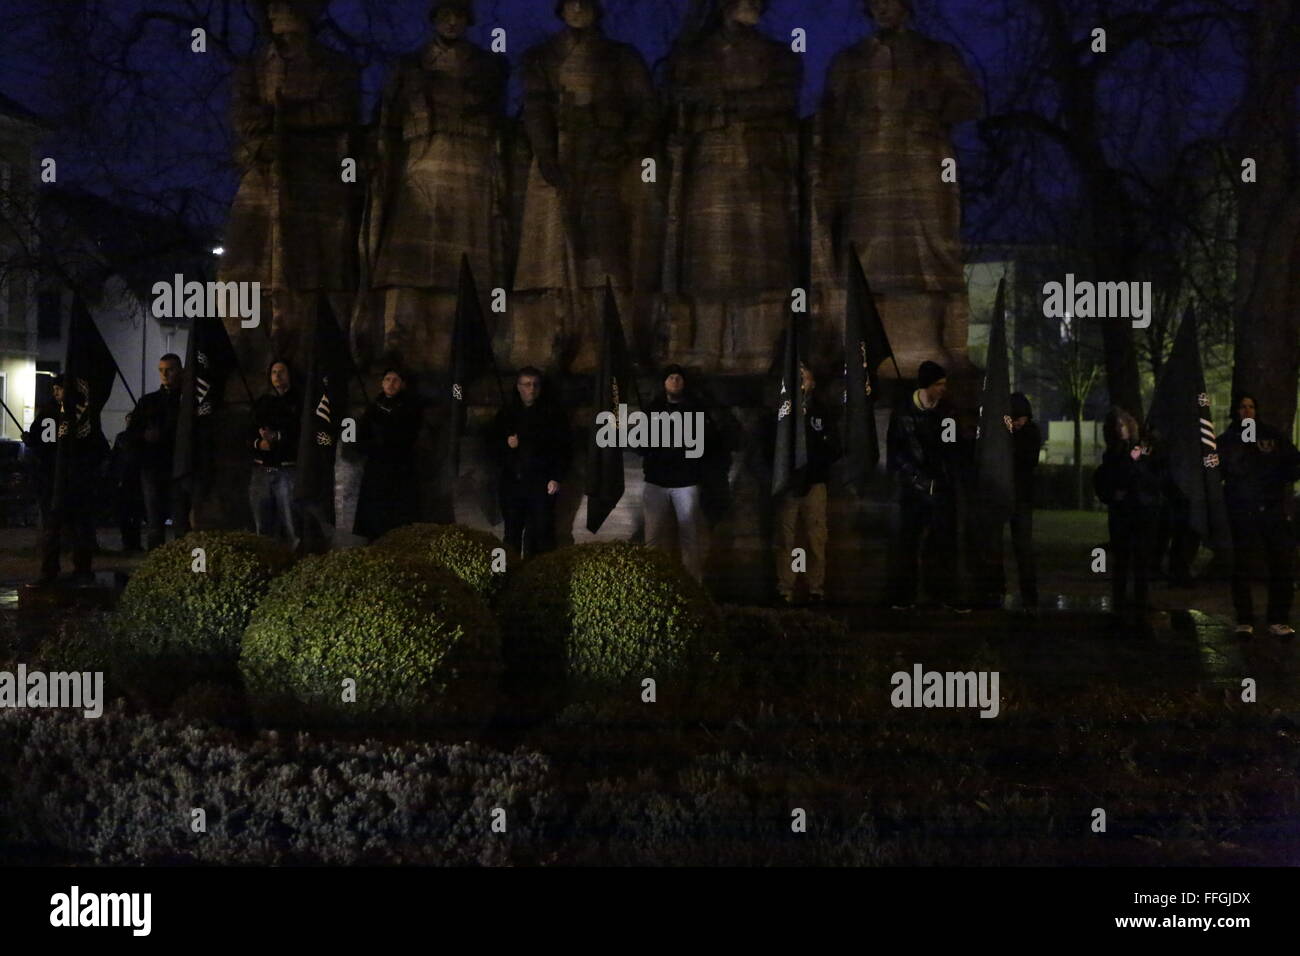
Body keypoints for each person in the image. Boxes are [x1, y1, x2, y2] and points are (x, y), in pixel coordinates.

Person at [1218, 394, 1300, 638]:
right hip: (1242, 510)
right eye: (1242, 407)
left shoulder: (1271, 436)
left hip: (1272, 509)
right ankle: (1244, 619)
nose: (1247, 410)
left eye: (1251, 406)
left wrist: (1281, 479)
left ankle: (1278, 618)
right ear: (1236, 411)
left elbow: (1293, 461)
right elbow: (1217, 470)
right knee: (1242, 565)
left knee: (1281, 564)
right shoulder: (1227, 440)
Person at [886, 359, 959, 609]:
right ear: (926, 385)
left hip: (940, 488)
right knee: (908, 543)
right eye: (938, 384)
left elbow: (951, 450)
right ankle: (905, 597)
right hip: (912, 489)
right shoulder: (904, 412)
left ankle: (940, 595)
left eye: (944, 384)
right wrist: (917, 479)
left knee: (941, 544)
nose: (942, 389)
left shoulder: (946, 411)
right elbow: (896, 452)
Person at [24, 376, 109, 586]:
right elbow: (45, 446)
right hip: (54, 481)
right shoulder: (51, 415)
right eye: (54, 389)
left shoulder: (84, 416)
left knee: (80, 526)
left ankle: (81, 569)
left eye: (59, 389)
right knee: (53, 528)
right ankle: (50, 570)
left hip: (77, 480)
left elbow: (98, 448)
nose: (55, 393)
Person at [641, 365, 713, 583]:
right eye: (670, 377)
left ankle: (693, 583)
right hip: (657, 480)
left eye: (678, 378)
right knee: (652, 537)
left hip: (686, 481)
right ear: (664, 383)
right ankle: (653, 582)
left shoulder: (695, 409)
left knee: (690, 536)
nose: (674, 381)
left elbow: (707, 440)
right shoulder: (653, 409)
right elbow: (641, 443)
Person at [775, 361, 839, 605]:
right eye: (798, 379)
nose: (802, 384)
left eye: (806, 379)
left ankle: (814, 588)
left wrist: (816, 460)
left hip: (814, 483)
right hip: (789, 485)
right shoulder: (781, 411)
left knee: (815, 538)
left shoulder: (821, 412)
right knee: (787, 539)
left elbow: (834, 447)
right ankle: (786, 587)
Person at [1093, 407, 1163, 625]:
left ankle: (1141, 600)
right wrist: (1115, 493)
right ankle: (1120, 600)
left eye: (1122, 424)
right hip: (1123, 511)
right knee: (1122, 558)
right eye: (1116, 426)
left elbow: (1153, 473)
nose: (1119, 429)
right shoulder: (1113, 453)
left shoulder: (1142, 448)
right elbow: (1110, 477)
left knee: (1142, 558)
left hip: (1142, 510)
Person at [492, 367, 569, 557]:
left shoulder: (552, 415)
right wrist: (507, 445)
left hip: (541, 483)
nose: (531, 389)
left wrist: (556, 477)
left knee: (542, 535)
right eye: (527, 384)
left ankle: (537, 579)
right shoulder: (506, 414)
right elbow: (491, 447)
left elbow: (563, 448)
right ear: (518, 387)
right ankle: (507, 575)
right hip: (513, 484)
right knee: (511, 534)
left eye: (535, 384)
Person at [353, 368, 423, 541]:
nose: (391, 384)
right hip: (376, 469)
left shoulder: (410, 408)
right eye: (387, 379)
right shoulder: (373, 408)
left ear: (402, 384)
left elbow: (411, 436)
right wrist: (373, 444)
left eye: (395, 380)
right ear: (382, 383)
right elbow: (360, 438)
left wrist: (390, 438)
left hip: (399, 470)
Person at [127, 353, 188, 550]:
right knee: (154, 523)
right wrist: (145, 436)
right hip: (153, 468)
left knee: (181, 523)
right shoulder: (148, 402)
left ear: (179, 371)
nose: (165, 374)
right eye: (161, 370)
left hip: (180, 468)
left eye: (169, 370)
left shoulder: (187, 402)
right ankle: (156, 567)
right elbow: (131, 433)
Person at [249, 357, 302, 551]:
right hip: (261, 469)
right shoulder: (263, 402)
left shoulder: (299, 401)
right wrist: (259, 442)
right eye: (273, 372)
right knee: (262, 524)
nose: (277, 376)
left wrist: (277, 436)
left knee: (291, 525)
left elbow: (300, 432)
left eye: (281, 372)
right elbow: (247, 432)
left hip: (287, 469)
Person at [1006, 392, 1042, 610]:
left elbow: (1026, 460)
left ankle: (1029, 593)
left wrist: (1011, 434)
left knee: (1023, 546)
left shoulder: (1029, 433)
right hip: (1016, 495)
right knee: (1022, 546)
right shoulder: (1026, 431)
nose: (1018, 423)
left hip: (1021, 496)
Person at [110, 412, 143, 552]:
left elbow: (116, 458)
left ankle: (130, 542)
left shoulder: (123, 438)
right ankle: (131, 542)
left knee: (131, 514)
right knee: (131, 514)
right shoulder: (127, 437)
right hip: (128, 479)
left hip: (127, 479)